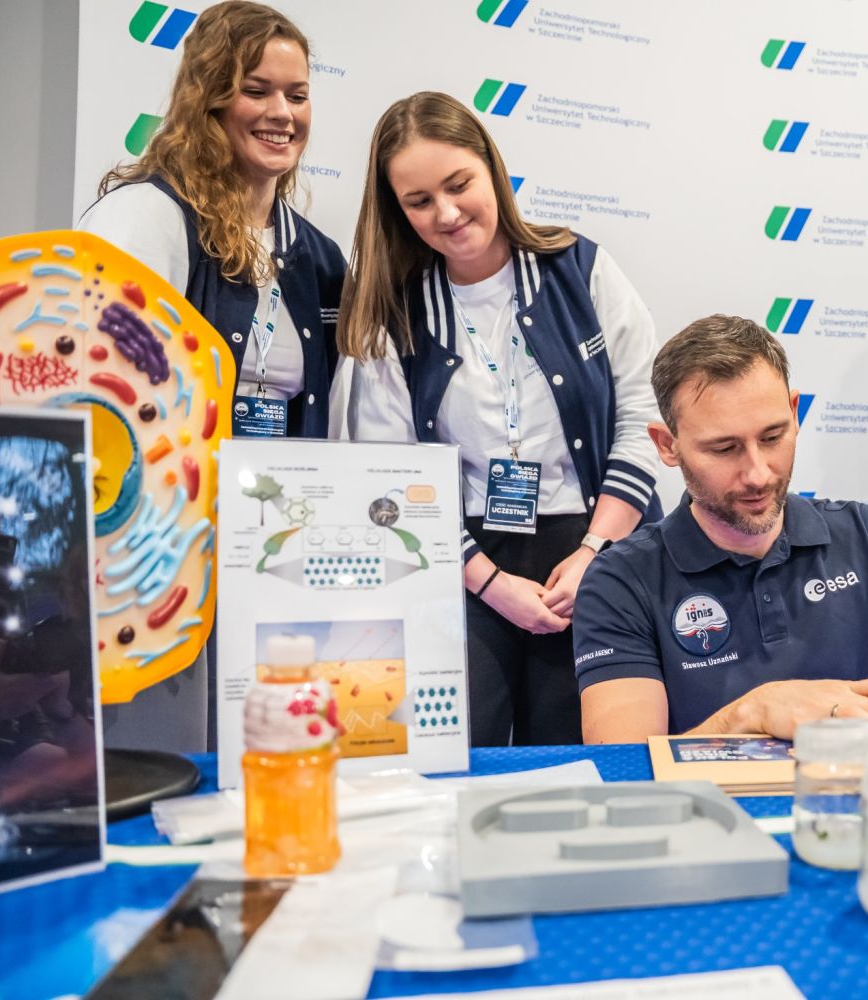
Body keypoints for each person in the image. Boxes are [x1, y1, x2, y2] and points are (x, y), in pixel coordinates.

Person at [335, 92, 661, 747]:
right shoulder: (394, 312)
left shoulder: (581, 270)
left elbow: (645, 417)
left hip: (594, 547)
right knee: (459, 757)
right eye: (419, 201)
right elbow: (391, 479)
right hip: (461, 561)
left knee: (578, 761)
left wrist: (594, 553)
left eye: (459, 185)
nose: (446, 213)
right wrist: (490, 584)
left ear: (492, 168)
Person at [571, 315, 868, 742]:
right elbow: (622, 769)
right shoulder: (621, 581)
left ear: (795, 413)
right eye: (724, 449)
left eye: (773, 437)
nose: (758, 474)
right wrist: (753, 712)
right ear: (667, 445)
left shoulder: (866, 537)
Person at [80, 1, 344, 440]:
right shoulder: (145, 216)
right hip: (166, 478)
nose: (283, 112)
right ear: (207, 100)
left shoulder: (322, 258)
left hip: (280, 484)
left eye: (297, 96)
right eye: (256, 91)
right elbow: (102, 384)